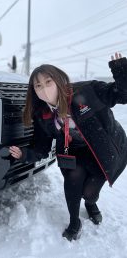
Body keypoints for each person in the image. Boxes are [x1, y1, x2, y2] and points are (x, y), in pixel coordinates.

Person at [9, 53, 127, 241]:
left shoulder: (87, 92)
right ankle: (74, 221)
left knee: (89, 192)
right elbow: (41, 147)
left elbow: (123, 95)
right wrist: (24, 154)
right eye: (38, 86)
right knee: (73, 180)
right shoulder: (43, 114)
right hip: (74, 151)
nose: (44, 89)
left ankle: (90, 203)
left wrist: (121, 68)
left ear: (59, 80)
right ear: (34, 91)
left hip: (103, 149)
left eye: (48, 82)